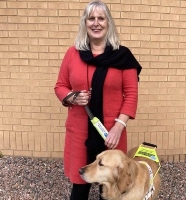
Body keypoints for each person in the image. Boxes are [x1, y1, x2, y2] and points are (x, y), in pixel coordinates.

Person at [54, 0, 142, 199]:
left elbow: (131, 94)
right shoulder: (72, 54)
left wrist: (119, 127)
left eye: (101, 18)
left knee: (112, 187)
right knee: (80, 186)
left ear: (108, 23)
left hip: (111, 134)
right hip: (80, 133)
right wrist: (72, 96)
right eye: (91, 18)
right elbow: (60, 86)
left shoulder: (123, 56)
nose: (96, 23)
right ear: (84, 23)